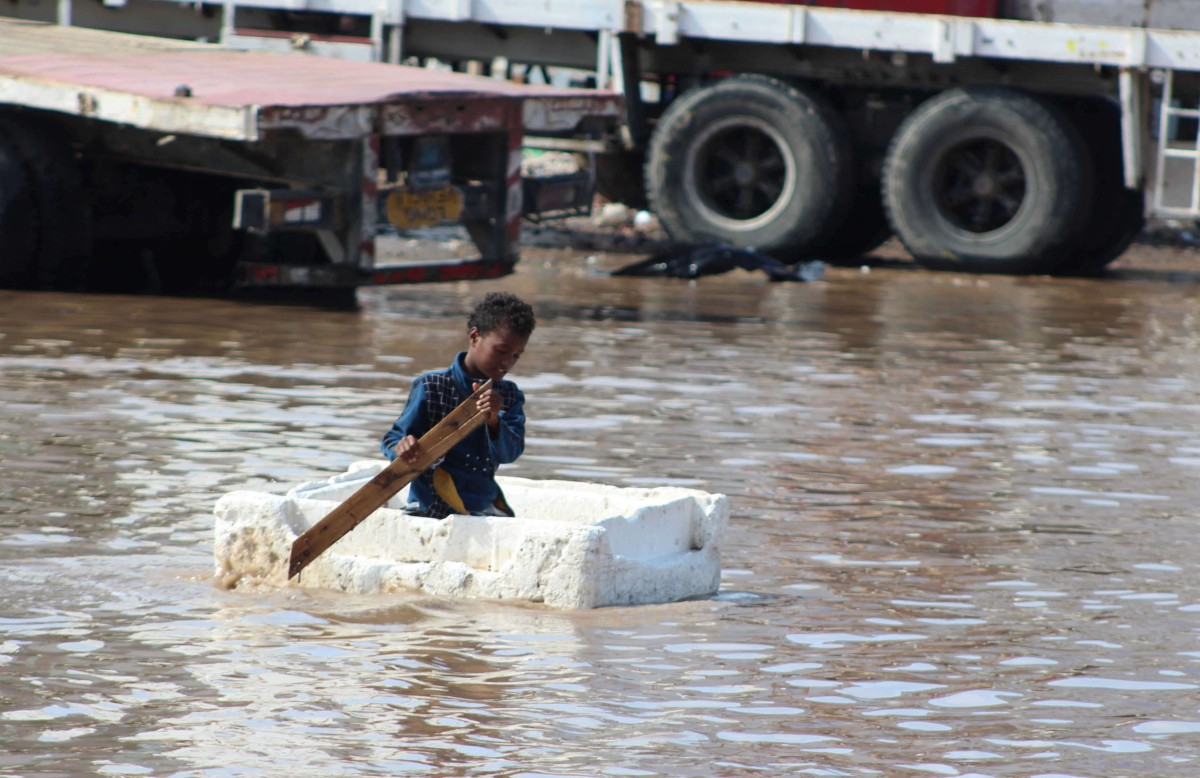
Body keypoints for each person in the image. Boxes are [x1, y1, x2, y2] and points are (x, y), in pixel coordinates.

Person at [381, 292, 535, 518]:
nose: (507, 363)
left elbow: (509, 453)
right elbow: (392, 439)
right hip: (429, 506)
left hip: (482, 505)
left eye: (516, 356)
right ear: (475, 337)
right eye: (501, 351)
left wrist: (493, 420)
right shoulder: (431, 386)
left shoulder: (509, 396)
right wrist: (402, 447)